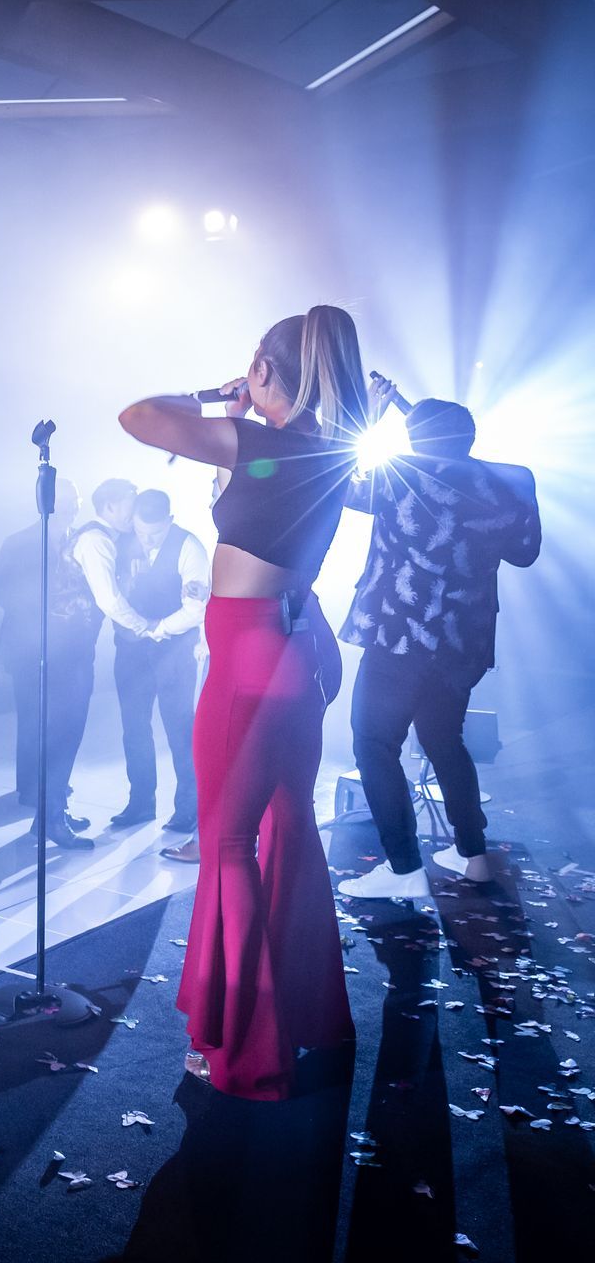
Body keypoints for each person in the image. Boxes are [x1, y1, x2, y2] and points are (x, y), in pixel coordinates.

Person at [119, 304, 367, 1101]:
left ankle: (239, 1048)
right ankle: (304, 1015)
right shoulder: (326, 451)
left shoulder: (261, 441)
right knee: (289, 824)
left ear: (265, 369)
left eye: (254, 361)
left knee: (226, 843)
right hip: (298, 649)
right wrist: (252, 398)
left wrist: (216, 393)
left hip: (251, 655)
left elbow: (138, 416)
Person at [335, 394, 540, 898]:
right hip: (462, 643)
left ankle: (404, 869)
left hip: (398, 638)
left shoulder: (395, 474)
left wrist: (362, 413)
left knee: (374, 744)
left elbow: (337, 483)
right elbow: (525, 553)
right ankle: (473, 856)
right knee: (444, 740)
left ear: (414, 437)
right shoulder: (512, 479)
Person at [0, 480, 98, 850]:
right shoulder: (18, 541)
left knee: (64, 730)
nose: (70, 508)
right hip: (30, 649)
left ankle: (52, 809)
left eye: (75, 502)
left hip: (73, 651)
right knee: (36, 724)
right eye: (64, 501)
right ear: (44, 503)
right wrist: (41, 607)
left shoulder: (81, 541)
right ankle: (40, 804)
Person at [109, 489, 210, 849]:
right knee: (133, 728)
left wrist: (158, 629)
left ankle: (188, 809)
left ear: (169, 520)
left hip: (174, 651)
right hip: (131, 652)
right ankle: (141, 802)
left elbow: (196, 608)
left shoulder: (189, 547)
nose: (146, 538)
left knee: (180, 731)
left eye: (154, 532)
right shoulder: (121, 542)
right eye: (140, 530)